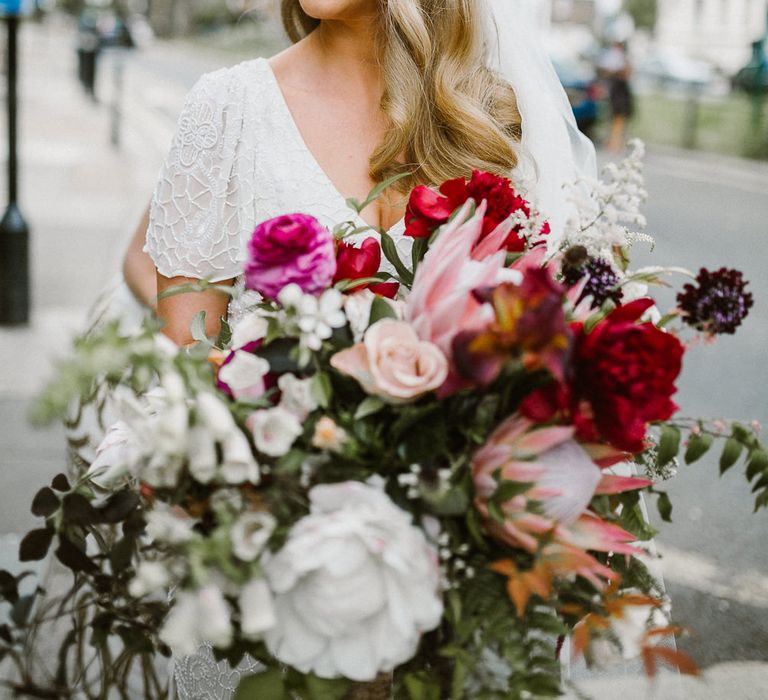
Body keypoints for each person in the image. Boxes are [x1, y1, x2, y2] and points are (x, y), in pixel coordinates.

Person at [136, 0, 595, 696]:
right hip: (273, 584)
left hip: (457, 596)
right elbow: (187, 389)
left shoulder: (495, 121)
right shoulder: (227, 111)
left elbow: (543, 377)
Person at [598, 40, 634, 153]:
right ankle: (613, 142)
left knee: (618, 119)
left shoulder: (621, 61)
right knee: (615, 119)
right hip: (617, 94)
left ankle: (615, 142)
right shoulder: (618, 60)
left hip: (619, 94)